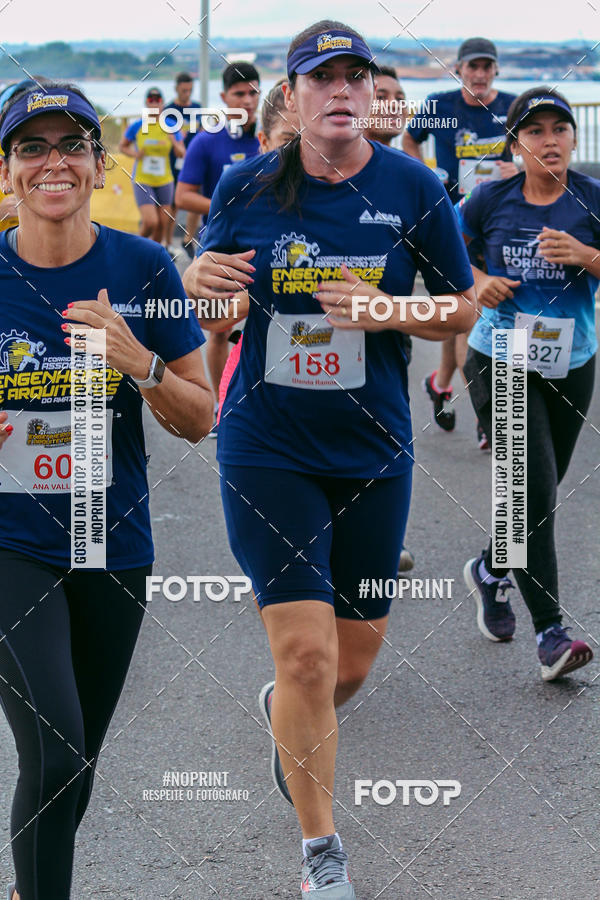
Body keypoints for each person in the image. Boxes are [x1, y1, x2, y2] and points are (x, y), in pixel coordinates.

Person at [191, 20, 476, 897]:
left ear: (371, 94)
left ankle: (286, 717)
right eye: (324, 80)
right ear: (295, 98)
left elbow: (461, 311)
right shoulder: (247, 184)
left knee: (343, 670)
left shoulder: (414, 186)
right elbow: (214, 303)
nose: (343, 91)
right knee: (307, 657)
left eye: (356, 77)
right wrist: (200, 292)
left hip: (373, 447)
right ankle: (323, 855)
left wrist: (391, 313)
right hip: (267, 442)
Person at [0, 80, 213, 900]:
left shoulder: (143, 265)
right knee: (53, 747)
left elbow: (199, 418)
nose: (53, 162)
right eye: (31, 147)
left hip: (111, 538)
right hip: (10, 541)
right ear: (10, 171)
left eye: (70, 146)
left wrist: (140, 360)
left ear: (99, 163)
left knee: (77, 756)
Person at [456, 88, 597, 681]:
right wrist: (479, 281)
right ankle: (551, 633)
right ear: (515, 145)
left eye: (559, 129)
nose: (550, 140)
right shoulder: (489, 199)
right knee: (534, 491)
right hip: (503, 356)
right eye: (535, 131)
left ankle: (492, 568)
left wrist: (587, 255)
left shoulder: (591, 199)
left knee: (538, 490)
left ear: (573, 139)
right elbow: (447, 260)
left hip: (573, 359)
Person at [403, 38, 517, 443]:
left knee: (471, 315)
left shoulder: (512, 108)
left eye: (488, 66)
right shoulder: (439, 105)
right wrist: (428, 173)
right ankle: (486, 417)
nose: (480, 74)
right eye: (473, 67)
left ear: (496, 70)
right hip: (452, 221)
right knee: (465, 311)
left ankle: (441, 382)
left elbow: (530, 152)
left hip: (499, 220)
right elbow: (410, 140)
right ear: (460, 70)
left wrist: (515, 167)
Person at [176, 62, 261, 433]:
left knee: (271, 321)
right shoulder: (207, 141)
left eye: (254, 92)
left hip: (263, 250)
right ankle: (218, 405)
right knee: (220, 329)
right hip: (220, 252)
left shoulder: (271, 138)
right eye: (240, 93)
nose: (248, 99)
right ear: (225, 98)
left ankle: (261, 404)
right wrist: (229, 205)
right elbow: (182, 196)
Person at [118, 86, 185, 246]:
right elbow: (123, 146)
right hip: (143, 179)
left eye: (158, 100)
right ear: (146, 104)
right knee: (151, 222)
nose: (154, 104)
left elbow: (182, 153)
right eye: (151, 101)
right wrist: (135, 154)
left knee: (162, 224)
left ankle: (152, 256)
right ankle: (134, 248)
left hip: (164, 180)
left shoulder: (170, 124)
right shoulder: (138, 125)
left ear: (163, 104)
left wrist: (174, 141)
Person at [162, 71, 203, 252]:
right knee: (174, 204)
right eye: (184, 90)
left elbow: (202, 132)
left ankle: (188, 238)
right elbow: (172, 138)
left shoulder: (197, 107)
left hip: (194, 159)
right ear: (177, 88)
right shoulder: (169, 110)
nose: (187, 93)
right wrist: (182, 151)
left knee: (196, 198)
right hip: (176, 160)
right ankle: (168, 243)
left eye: (190, 90)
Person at [365, 64, 406, 147]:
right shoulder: (336, 158)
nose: (395, 105)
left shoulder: (405, 160)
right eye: (380, 97)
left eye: (400, 99)